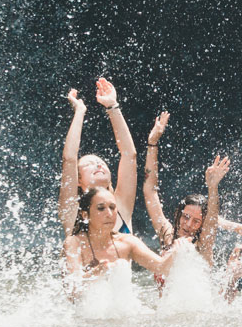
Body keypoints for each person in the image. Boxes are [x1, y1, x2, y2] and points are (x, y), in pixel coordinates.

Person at [143, 111, 232, 268]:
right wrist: (152, 143)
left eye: (197, 221)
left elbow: (211, 217)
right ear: (177, 214)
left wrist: (212, 187)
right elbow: (150, 191)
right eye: (185, 217)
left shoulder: (203, 245)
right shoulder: (167, 235)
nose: (189, 225)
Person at [62, 187, 183, 300]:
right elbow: (73, 289)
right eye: (101, 208)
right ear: (85, 215)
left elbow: (160, 267)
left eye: (112, 207)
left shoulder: (127, 242)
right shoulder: (75, 243)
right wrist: (98, 271)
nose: (109, 213)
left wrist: (178, 248)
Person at [59, 78, 137, 237]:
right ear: (78, 180)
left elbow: (130, 155)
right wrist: (79, 111)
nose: (98, 166)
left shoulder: (120, 206)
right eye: (89, 164)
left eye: (101, 163)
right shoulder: (72, 212)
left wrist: (112, 106)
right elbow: (69, 158)